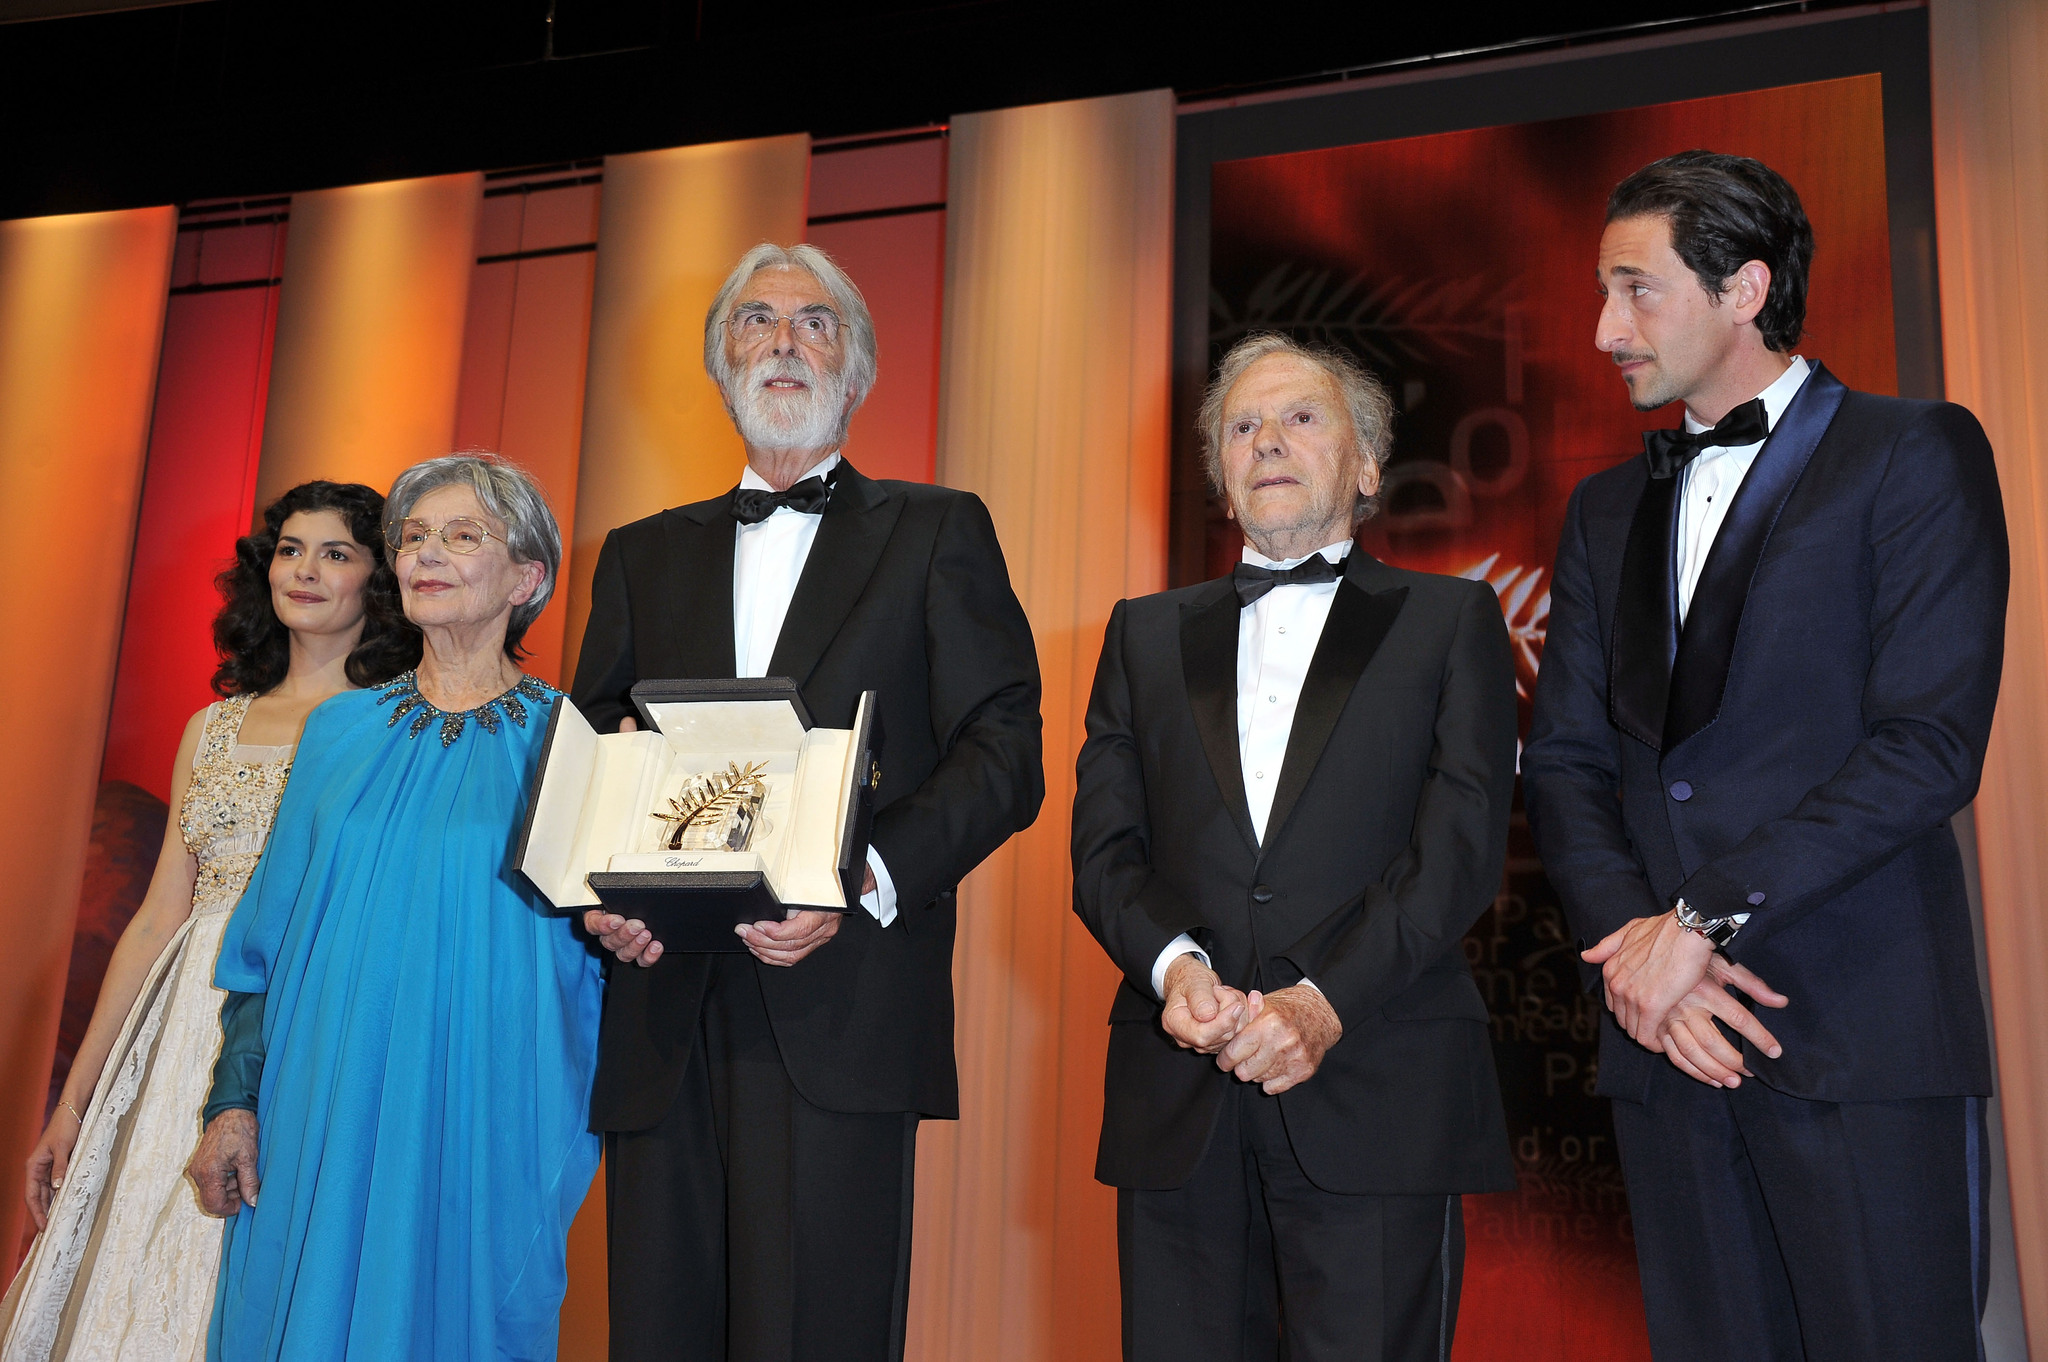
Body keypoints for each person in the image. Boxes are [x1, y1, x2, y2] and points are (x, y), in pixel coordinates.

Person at [1523, 151, 2009, 1361]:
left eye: (1634, 291)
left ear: (1742, 289)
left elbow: (1926, 747)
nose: (1601, 329)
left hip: (1858, 1033)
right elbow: (1568, 763)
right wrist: (1642, 966)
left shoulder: (1913, 453)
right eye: (1600, 292)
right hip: (1666, 1048)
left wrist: (1694, 922)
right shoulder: (1598, 512)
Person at [573, 242, 1043, 1362]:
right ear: (720, 360)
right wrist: (602, 899)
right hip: (662, 1004)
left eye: (814, 321)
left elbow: (1004, 749)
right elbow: (595, 752)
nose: (783, 339)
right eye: (756, 320)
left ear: (860, 366)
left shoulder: (938, 528)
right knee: (656, 1330)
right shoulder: (639, 555)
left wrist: (857, 882)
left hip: (843, 1000)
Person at [1071, 332, 1518, 1362]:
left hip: (1377, 1078)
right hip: (1177, 1092)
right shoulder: (1140, 633)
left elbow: (1456, 850)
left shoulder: (1451, 619)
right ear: (1220, 481)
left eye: (1300, 417)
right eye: (1240, 427)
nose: (1267, 439)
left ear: (1365, 465)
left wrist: (1317, 1004)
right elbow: (1104, 842)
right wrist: (1173, 967)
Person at [186, 455, 603, 1361]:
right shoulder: (336, 731)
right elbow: (269, 939)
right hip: (320, 1107)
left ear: (527, 579)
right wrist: (234, 1102)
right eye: (413, 537)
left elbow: (608, 952)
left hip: (493, 1113)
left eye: (463, 536)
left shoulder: (579, 745)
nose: (426, 554)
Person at [0, 482, 413, 1362]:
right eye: (291, 550)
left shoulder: (392, 731)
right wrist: (75, 1099)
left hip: (307, 1017)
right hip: (181, 1022)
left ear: (378, 584)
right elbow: (157, 921)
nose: (305, 570)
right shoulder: (212, 729)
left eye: (336, 553)